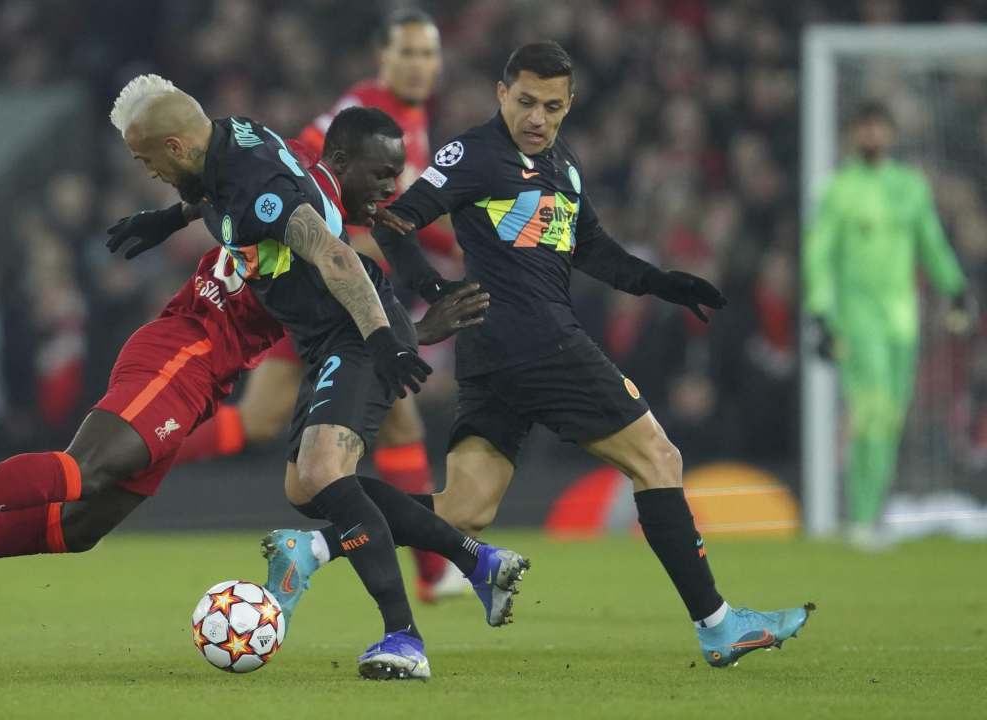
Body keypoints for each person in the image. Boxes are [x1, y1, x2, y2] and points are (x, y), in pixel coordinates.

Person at [0, 102, 509, 682]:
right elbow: (336, 263)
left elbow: (225, 187)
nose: (391, 191)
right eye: (382, 177)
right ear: (344, 161)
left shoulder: (273, 159)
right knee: (86, 470)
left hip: (207, 372)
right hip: (187, 346)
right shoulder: (298, 199)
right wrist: (406, 339)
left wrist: (170, 217)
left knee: (81, 527)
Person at [346, 41, 810, 669]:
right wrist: (437, 290)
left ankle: (318, 538)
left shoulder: (563, 164)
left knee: (465, 510)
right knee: (658, 456)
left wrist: (661, 282)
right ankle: (718, 624)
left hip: (497, 351)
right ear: (501, 94)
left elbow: (594, 251)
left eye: (553, 106)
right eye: (527, 102)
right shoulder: (475, 153)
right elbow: (393, 222)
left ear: (569, 106)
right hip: (539, 339)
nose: (538, 117)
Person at [172, 8, 463, 602]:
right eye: (407, 53)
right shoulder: (360, 112)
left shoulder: (410, 117)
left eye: (428, 54)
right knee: (388, 413)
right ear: (382, 58)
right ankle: (436, 571)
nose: (419, 65)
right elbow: (306, 175)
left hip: (329, 292)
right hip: (324, 289)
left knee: (270, 420)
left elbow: (391, 214)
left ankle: (155, 449)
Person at [803, 100, 971, 548]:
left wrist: (955, 287)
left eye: (879, 127)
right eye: (865, 128)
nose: (872, 135)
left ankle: (870, 518)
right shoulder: (838, 190)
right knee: (870, 414)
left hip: (903, 322)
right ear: (854, 135)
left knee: (891, 419)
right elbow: (820, 255)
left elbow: (931, 243)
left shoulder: (910, 187)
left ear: (891, 134)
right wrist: (820, 313)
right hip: (858, 321)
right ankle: (860, 520)